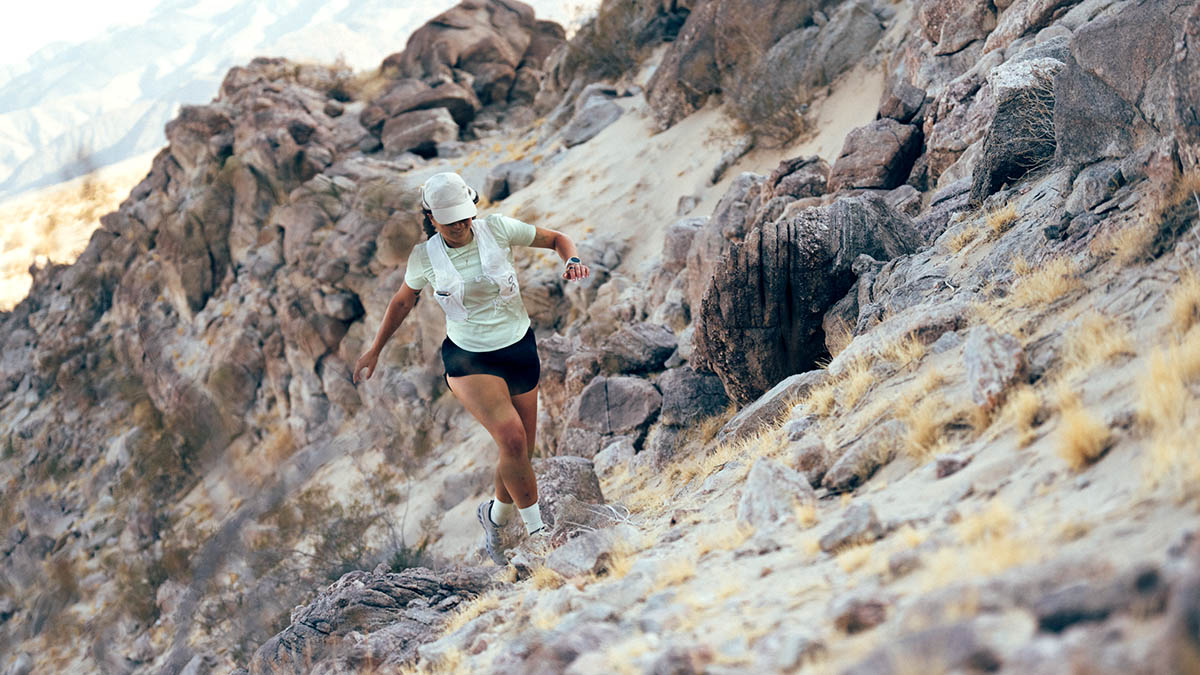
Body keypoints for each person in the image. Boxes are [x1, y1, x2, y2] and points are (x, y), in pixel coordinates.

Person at [353, 171, 590, 565]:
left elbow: (557, 239)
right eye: (451, 221)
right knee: (511, 439)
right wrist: (375, 349)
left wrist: (573, 260)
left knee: (519, 452)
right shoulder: (423, 258)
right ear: (432, 218)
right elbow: (401, 302)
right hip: (469, 358)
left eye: (465, 217)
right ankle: (540, 538)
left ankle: (495, 519)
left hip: (519, 348)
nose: (461, 226)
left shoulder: (497, 228)